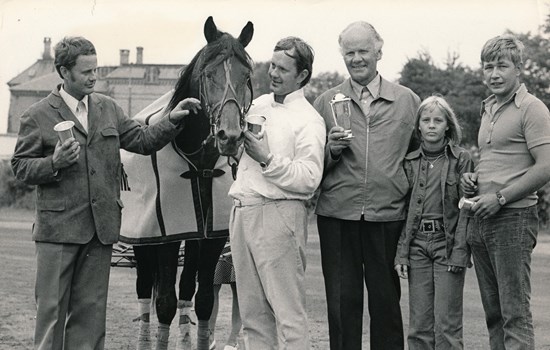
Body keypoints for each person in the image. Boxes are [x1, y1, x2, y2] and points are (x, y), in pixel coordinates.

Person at [11, 36, 200, 350]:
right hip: (57, 231)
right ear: (63, 72)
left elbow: (143, 140)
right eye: (85, 71)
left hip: (101, 230)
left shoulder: (109, 108)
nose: (93, 77)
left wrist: (173, 119)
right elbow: (20, 167)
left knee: (92, 314)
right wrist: (53, 163)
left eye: (95, 70)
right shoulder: (37, 115)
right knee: (52, 312)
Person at [313, 21, 420, 349]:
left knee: (386, 306)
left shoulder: (408, 101)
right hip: (336, 215)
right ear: (342, 54)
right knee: (342, 306)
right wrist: (330, 151)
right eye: (350, 52)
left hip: (388, 216)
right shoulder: (325, 101)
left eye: (363, 51)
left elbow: (419, 158)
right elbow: (311, 165)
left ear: (379, 51)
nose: (357, 58)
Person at [228, 36, 326, 349]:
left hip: (279, 215)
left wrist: (267, 159)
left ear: (302, 76)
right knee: (253, 316)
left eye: (283, 69)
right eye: (272, 65)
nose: (273, 73)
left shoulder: (309, 120)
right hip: (242, 211)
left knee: (288, 316)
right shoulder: (256, 106)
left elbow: (309, 179)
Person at [461, 34, 550, 350]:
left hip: (513, 218)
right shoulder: (488, 108)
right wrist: (474, 179)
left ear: (519, 69)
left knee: (515, 314)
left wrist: (500, 197)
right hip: (480, 218)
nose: (494, 74)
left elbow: (545, 166)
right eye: (488, 67)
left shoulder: (532, 108)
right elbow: (495, 159)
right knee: (494, 314)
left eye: (501, 66)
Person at [394, 96, 473, 349]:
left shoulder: (461, 159)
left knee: (447, 325)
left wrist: (460, 252)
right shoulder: (409, 162)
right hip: (417, 246)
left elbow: (467, 210)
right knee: (419, 327)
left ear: (447, 125)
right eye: (426, 120)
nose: (431, 125)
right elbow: (404, 211)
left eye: (438, 120)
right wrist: (402, 253)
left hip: (446, 246)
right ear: (418, 126)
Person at [209, 239, 242, 350]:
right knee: (212, 283)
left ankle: (233, 338)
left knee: (238, 286)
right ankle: (209, 335)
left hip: (238, 236)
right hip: (219, 234)